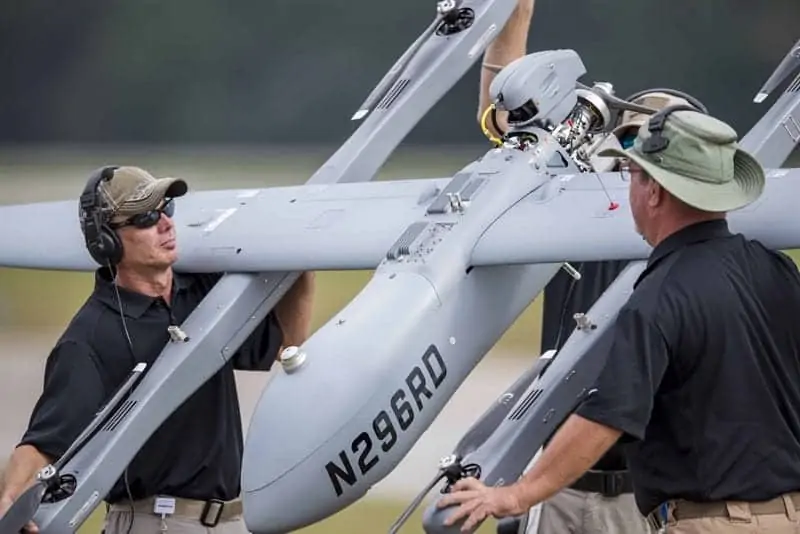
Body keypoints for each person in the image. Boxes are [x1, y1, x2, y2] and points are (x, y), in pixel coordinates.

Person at [441, 105, 800, 534]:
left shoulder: (658, 296)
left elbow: (607, 416)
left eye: (633, 173)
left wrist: (515, 494)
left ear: (654, 193)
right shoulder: (777, 269)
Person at [0, 166, 315, 533]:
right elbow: (44, 443)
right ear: (107, 241)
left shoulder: (204, 290)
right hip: (156, 522)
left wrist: (301, 259)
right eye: (147, 217)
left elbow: (286, 344)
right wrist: (11, 497)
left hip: (230, 520)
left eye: (167, 210)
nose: (165, 223)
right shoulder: (89, 337)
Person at [478, 6, 697, 533]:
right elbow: (510, 116)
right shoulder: (569, 206)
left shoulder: (702, 248)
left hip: (646, 494)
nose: (635, 168)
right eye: (627, 146)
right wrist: (514, 13)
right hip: (552, 481)